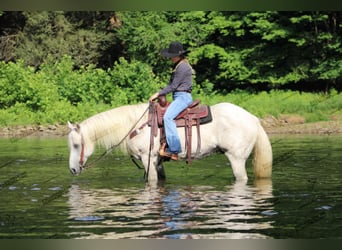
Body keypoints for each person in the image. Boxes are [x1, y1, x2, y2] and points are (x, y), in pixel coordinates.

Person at [149, 41, 193, 161]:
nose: (170, 58)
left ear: (178, 55)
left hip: (183, 97)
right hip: (178, 96)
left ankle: (174, 149)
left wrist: (158, 94)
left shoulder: (182, 67)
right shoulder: (178, 65)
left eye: (172, 55)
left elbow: (173, 86)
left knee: (167, 117)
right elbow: (171, 85)